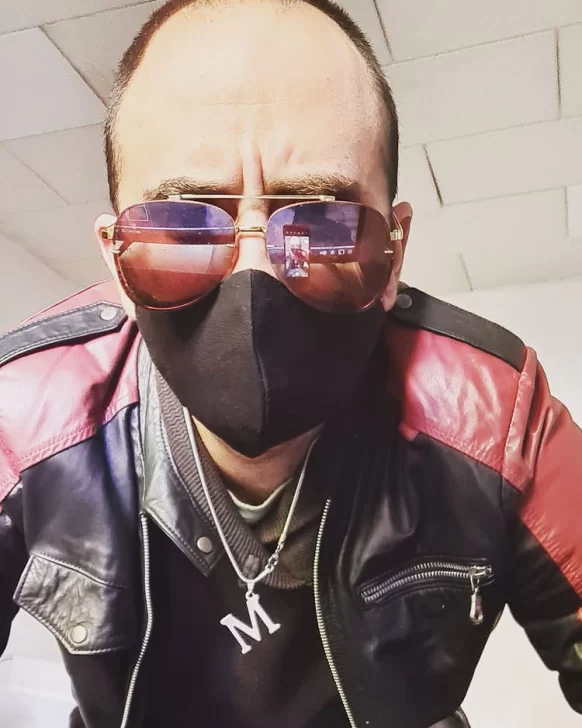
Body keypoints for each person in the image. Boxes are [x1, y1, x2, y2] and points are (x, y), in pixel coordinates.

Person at [0, 1, 581, 726]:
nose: (256, 279)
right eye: (183, 226)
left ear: (394, 251)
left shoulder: (495, 418)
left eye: (320, 221)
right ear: (117, 262)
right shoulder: (28, 419)